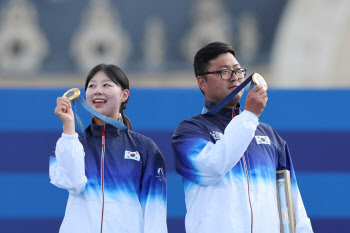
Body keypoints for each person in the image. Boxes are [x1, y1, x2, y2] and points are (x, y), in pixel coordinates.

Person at [172, 42, 313, 233]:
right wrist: (249, 116)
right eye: (224, 72)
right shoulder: (190, 132)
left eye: (238, 71)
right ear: (202, 83)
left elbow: (292, 203)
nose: (235, 77)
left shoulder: (269, 136)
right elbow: (211, 169)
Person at [50, 64, 167, 233]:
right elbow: (73, 184)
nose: (98, 90)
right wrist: (68, 127)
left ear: (124, 95)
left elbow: (155, 211)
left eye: (106, 85)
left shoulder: (145, 148)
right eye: (92, 86)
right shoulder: (69, 144)